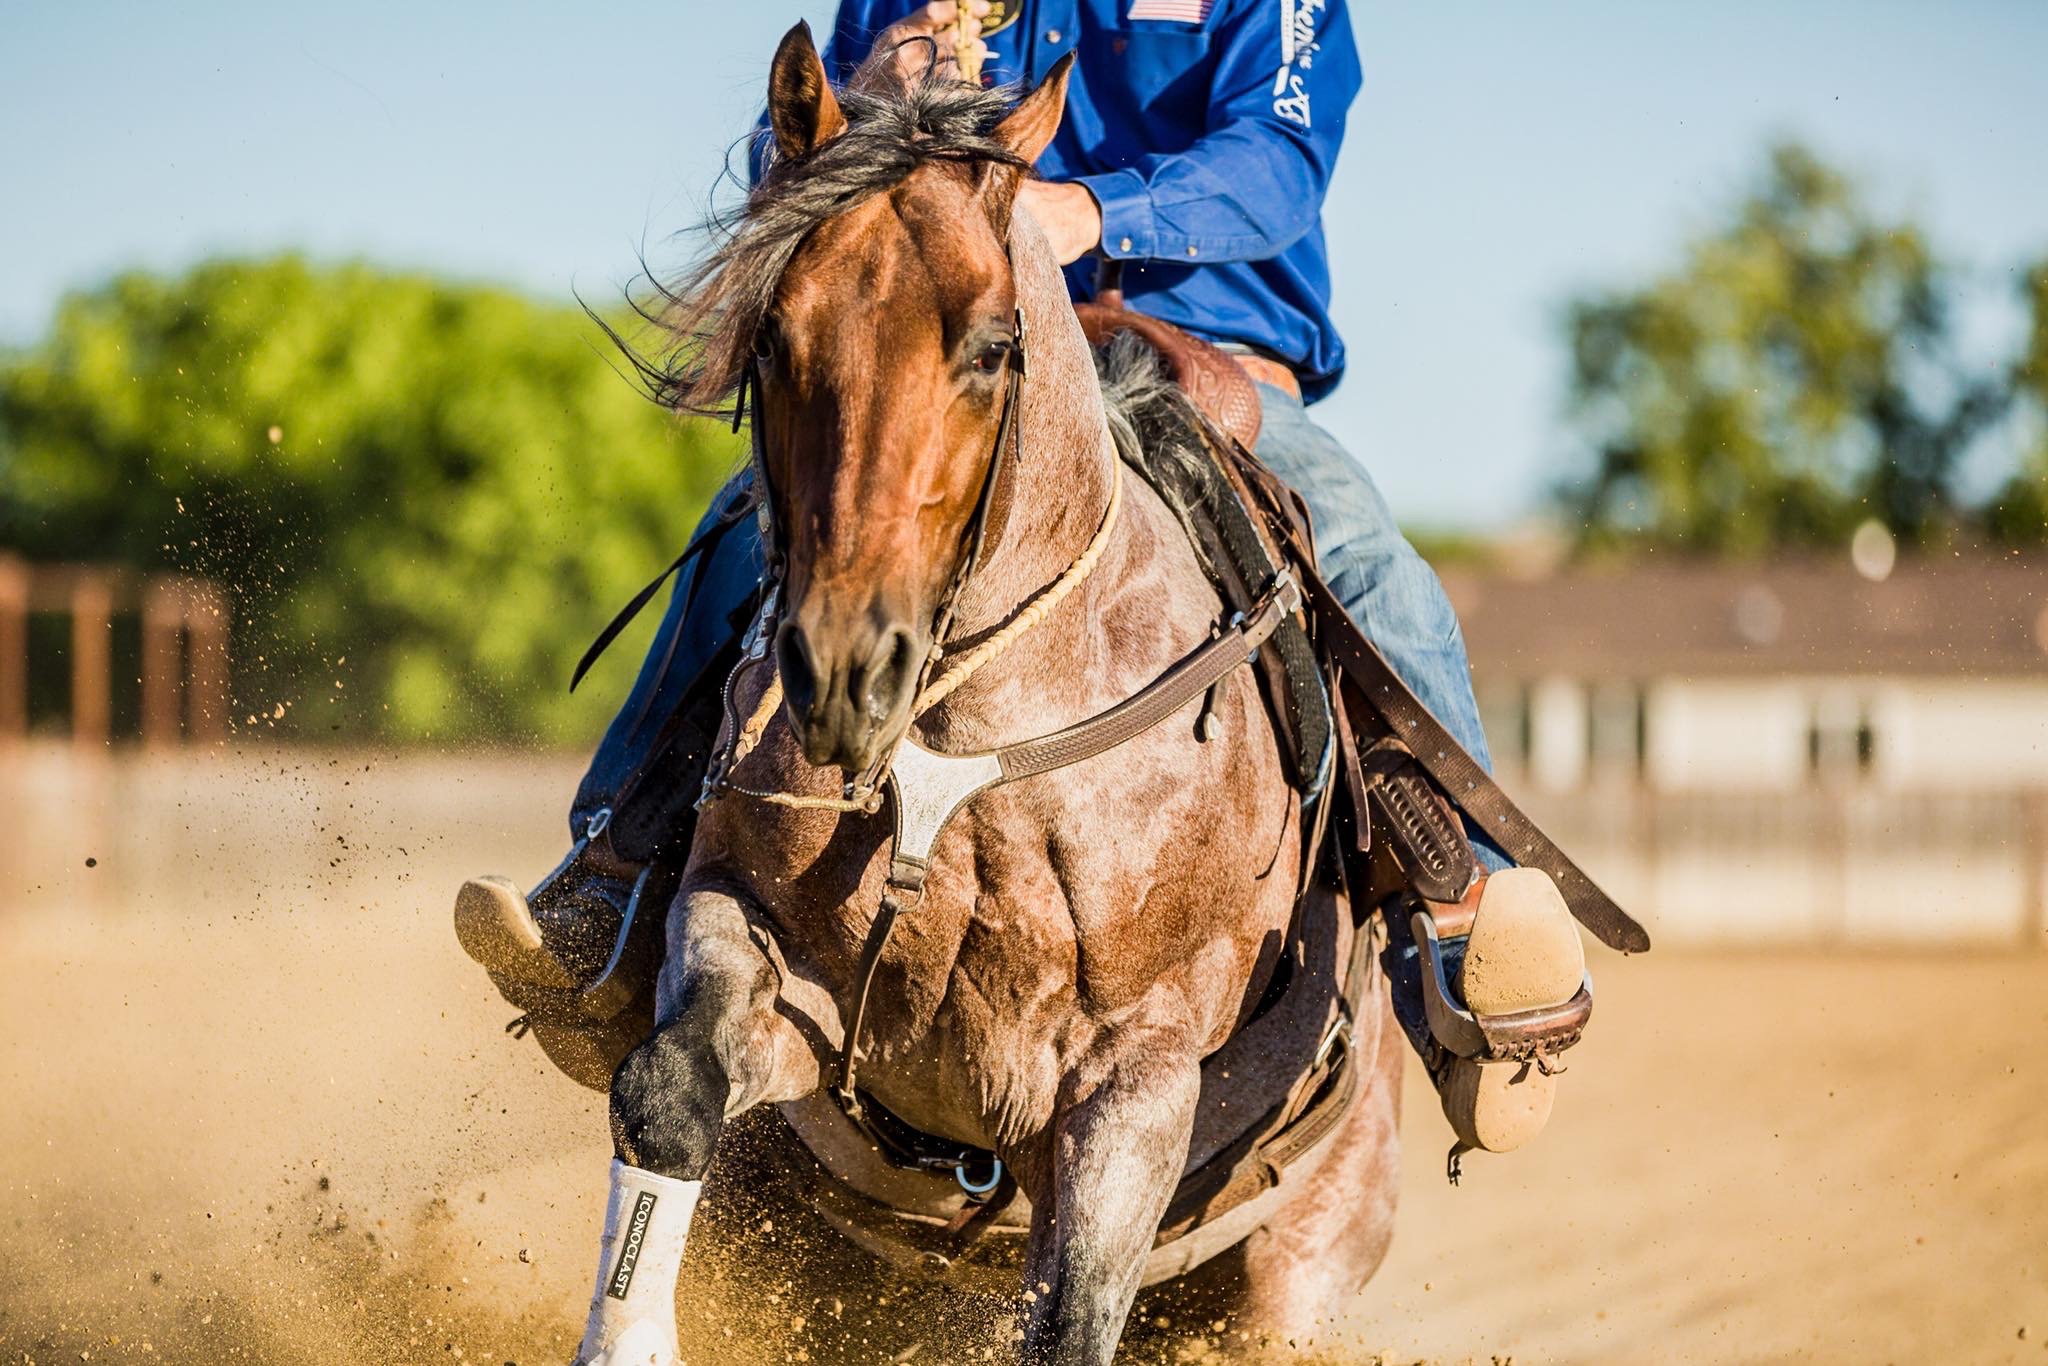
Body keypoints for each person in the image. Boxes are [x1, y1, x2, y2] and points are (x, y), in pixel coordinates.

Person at [458, 0, 1586, 1160]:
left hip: (1203, 364)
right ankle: (615, 877)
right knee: (746, 529)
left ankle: (1463, 932)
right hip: (950, 355)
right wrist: (882, 80)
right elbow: (787, 156)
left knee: (1365, 559)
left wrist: (1089, 209)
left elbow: (1276, 168)